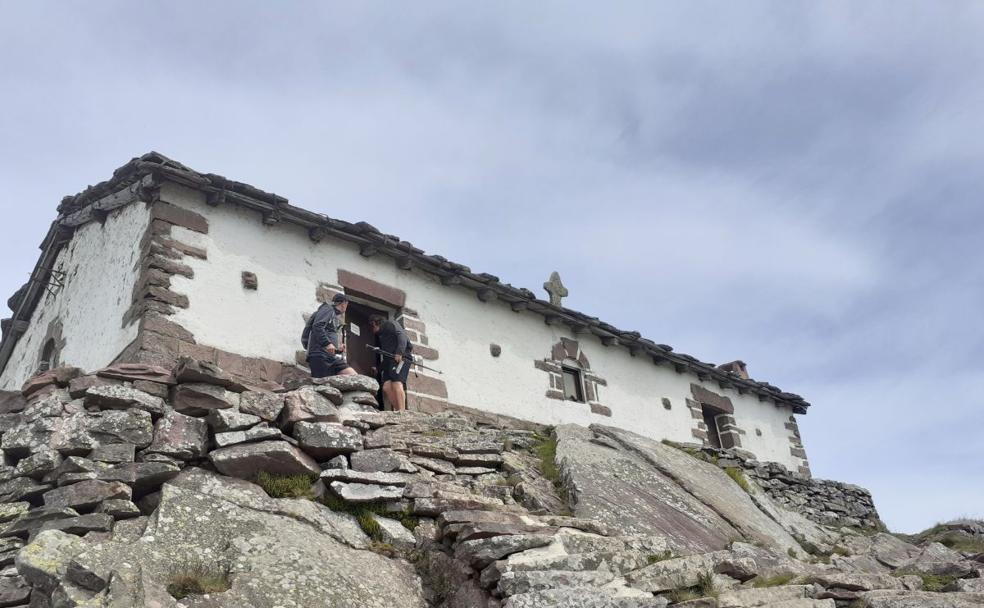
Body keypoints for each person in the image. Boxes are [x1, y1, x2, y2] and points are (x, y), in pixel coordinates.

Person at [301, 293, 357, 378]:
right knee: (322, 385)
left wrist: (338, 350)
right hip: (319, 355)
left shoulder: (333, 315)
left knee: (353, 376)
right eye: (346, 305)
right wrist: (327, 343)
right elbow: (317, 326)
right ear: (344, 303)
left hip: (329, 356)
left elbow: (328, 339)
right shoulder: (328, 309)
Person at [369, 314, 413, 411]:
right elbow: (387, 356)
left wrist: (399, 352)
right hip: (391, 361)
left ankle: (402, 413)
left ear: (374, 323)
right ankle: (398, 411)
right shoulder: (382, 336)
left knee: (396, 383)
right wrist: (379, 369)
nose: (372, 330)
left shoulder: (391, 323)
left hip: (402, 357)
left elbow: (402, 336)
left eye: (371, 327)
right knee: (386, 387)